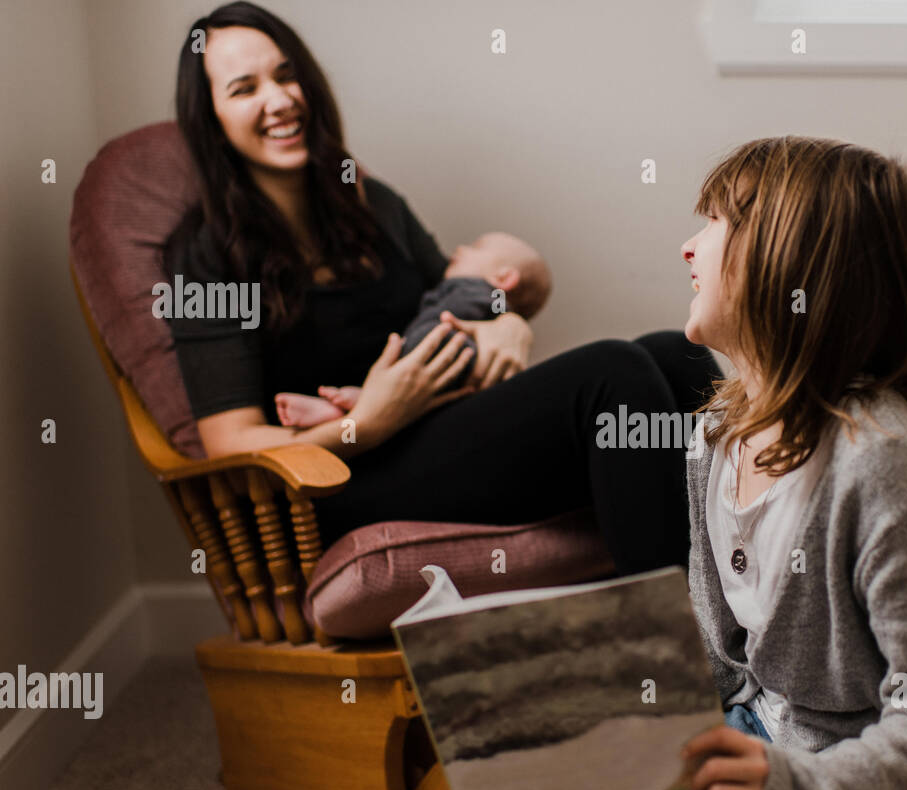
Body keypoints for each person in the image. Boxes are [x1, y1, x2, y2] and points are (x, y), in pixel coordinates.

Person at [162, 2, 719, 571]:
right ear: (212, 120)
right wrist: (367, 422)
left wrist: (507, 321)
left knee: (675, 355)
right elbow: (230, 442)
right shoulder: (202, 256)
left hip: (440, 435)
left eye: (285, 75)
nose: (279, 100)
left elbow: (459, 297)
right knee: (614, 374)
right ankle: (671, 645)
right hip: (342, 478)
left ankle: (736, 611)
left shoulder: (370, 205)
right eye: (243, 89)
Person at [632, 136, 907, 790]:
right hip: (760, 736)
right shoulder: (714, 435)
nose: (687, 247)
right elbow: (724, 658)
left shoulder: (889, 468)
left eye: (713, 224)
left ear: (784, 260)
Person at [274, 230, 551, 428]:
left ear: (503, 278)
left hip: (443, 359)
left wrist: (511, 322)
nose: (459, 250)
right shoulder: (466, 293)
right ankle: (353, 406)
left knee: (442, 361)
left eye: (475, 247)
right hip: (425, 375)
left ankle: (352, 405)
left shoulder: (474, 291)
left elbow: (482, 316)